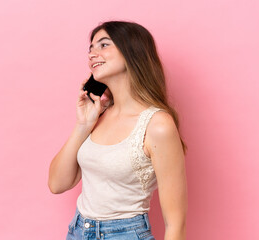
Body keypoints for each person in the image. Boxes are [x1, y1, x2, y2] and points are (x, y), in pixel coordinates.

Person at [48, 20, 188, 240]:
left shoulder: (158, 125)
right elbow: (57, 184)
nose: (92, 54)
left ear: (132, 52)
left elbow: (175, 223)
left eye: (104, 45)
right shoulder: (99, 114)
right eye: (90, 48)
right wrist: (83, 125)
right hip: (77, 231)